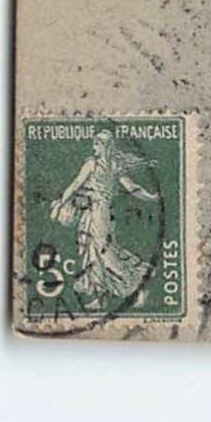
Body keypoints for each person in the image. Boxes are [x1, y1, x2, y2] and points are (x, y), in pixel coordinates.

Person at [49, 130, 159, 305]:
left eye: (97, 144)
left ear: (104, 146)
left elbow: (76, 185)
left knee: (103, 252)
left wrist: (60, 205)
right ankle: (100, 295)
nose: (94, 147)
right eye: (95, 144)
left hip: (98, 214)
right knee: (96, 250)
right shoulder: (113, 166)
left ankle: (135, 285)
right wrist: (152, 197)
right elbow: (133, 188)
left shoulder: (92, 165)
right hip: (101, 213)